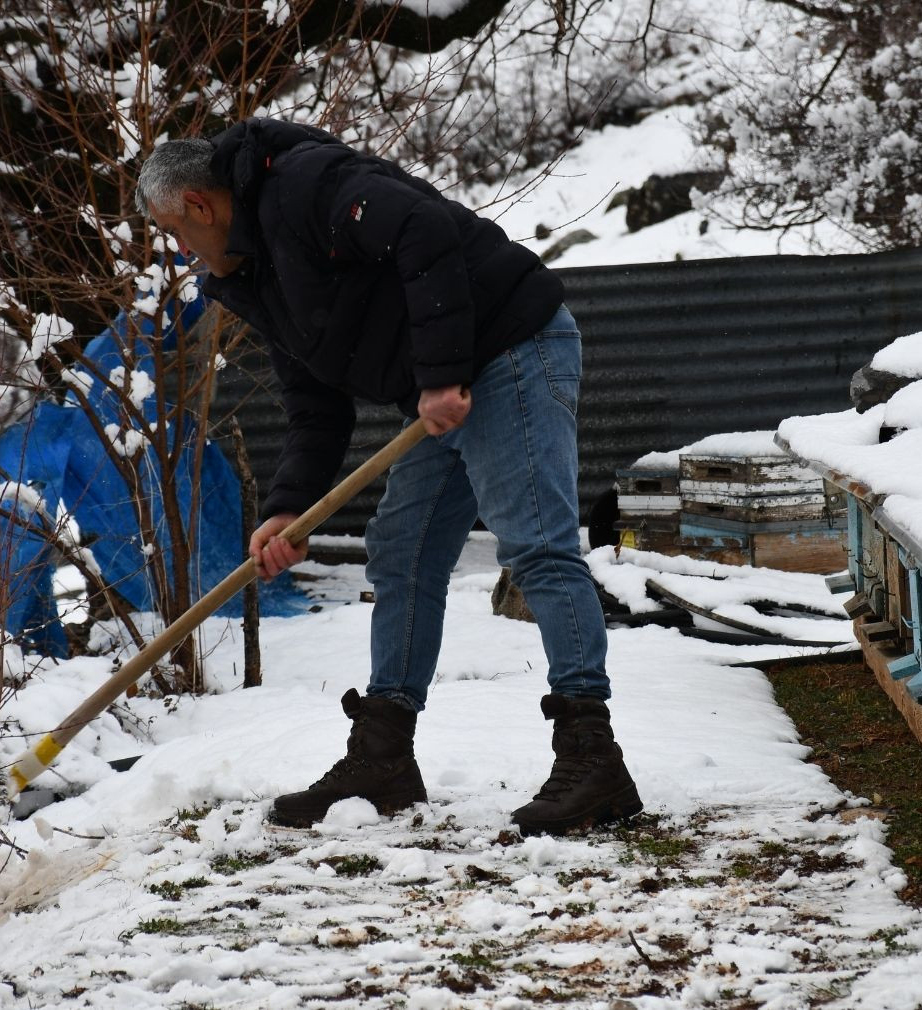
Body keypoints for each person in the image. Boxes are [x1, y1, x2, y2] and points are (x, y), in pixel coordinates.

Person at [135, 118, 641, 835]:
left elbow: (425, 230)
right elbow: (314, 407)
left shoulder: (305, 186)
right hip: (442, 388)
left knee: (535, 545)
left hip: (508, 346)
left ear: (198, 204)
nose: (178, 251)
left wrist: (439, 374)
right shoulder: (252, 276)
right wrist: (288, 510)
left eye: (173, 231)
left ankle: (593, 755)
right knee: (402, 553)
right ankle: (385, 758)